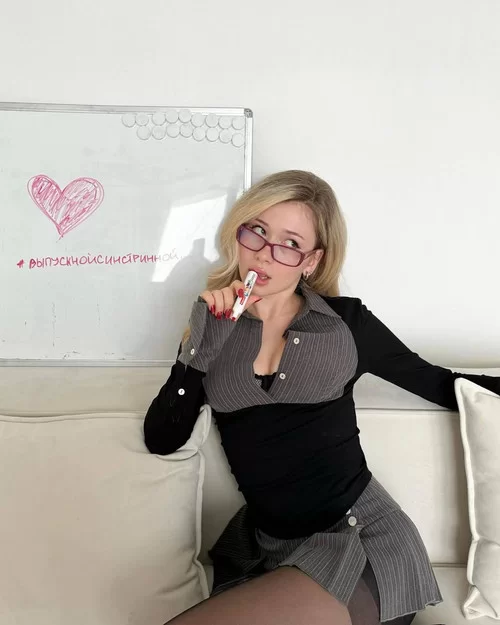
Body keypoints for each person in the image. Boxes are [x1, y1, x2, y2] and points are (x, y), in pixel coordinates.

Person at [144, 170, 500, 625]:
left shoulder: (345, 325)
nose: (264, 253)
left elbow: (441, 383)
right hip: (270, 549)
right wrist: (200, 348)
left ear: (311, 260)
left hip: (362, 542)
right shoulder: (213, 323)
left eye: (289, 243)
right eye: (257, 231)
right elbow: (162, 438)